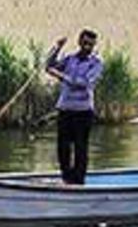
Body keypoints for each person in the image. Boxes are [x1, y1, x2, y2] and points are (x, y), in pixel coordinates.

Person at [44, 30, 103, 185]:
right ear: (79, 42)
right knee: (62, 147)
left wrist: (60, 76)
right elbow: (49, 66)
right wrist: (57, 48)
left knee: (80, 147)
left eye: (90, 44)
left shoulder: (96, 63)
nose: (87, 47)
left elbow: (83, 83)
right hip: (65, 108)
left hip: (83, 111)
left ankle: (78, 181)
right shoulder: (70, 59)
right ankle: (67, 177)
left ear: (94, 45)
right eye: (84, 43)